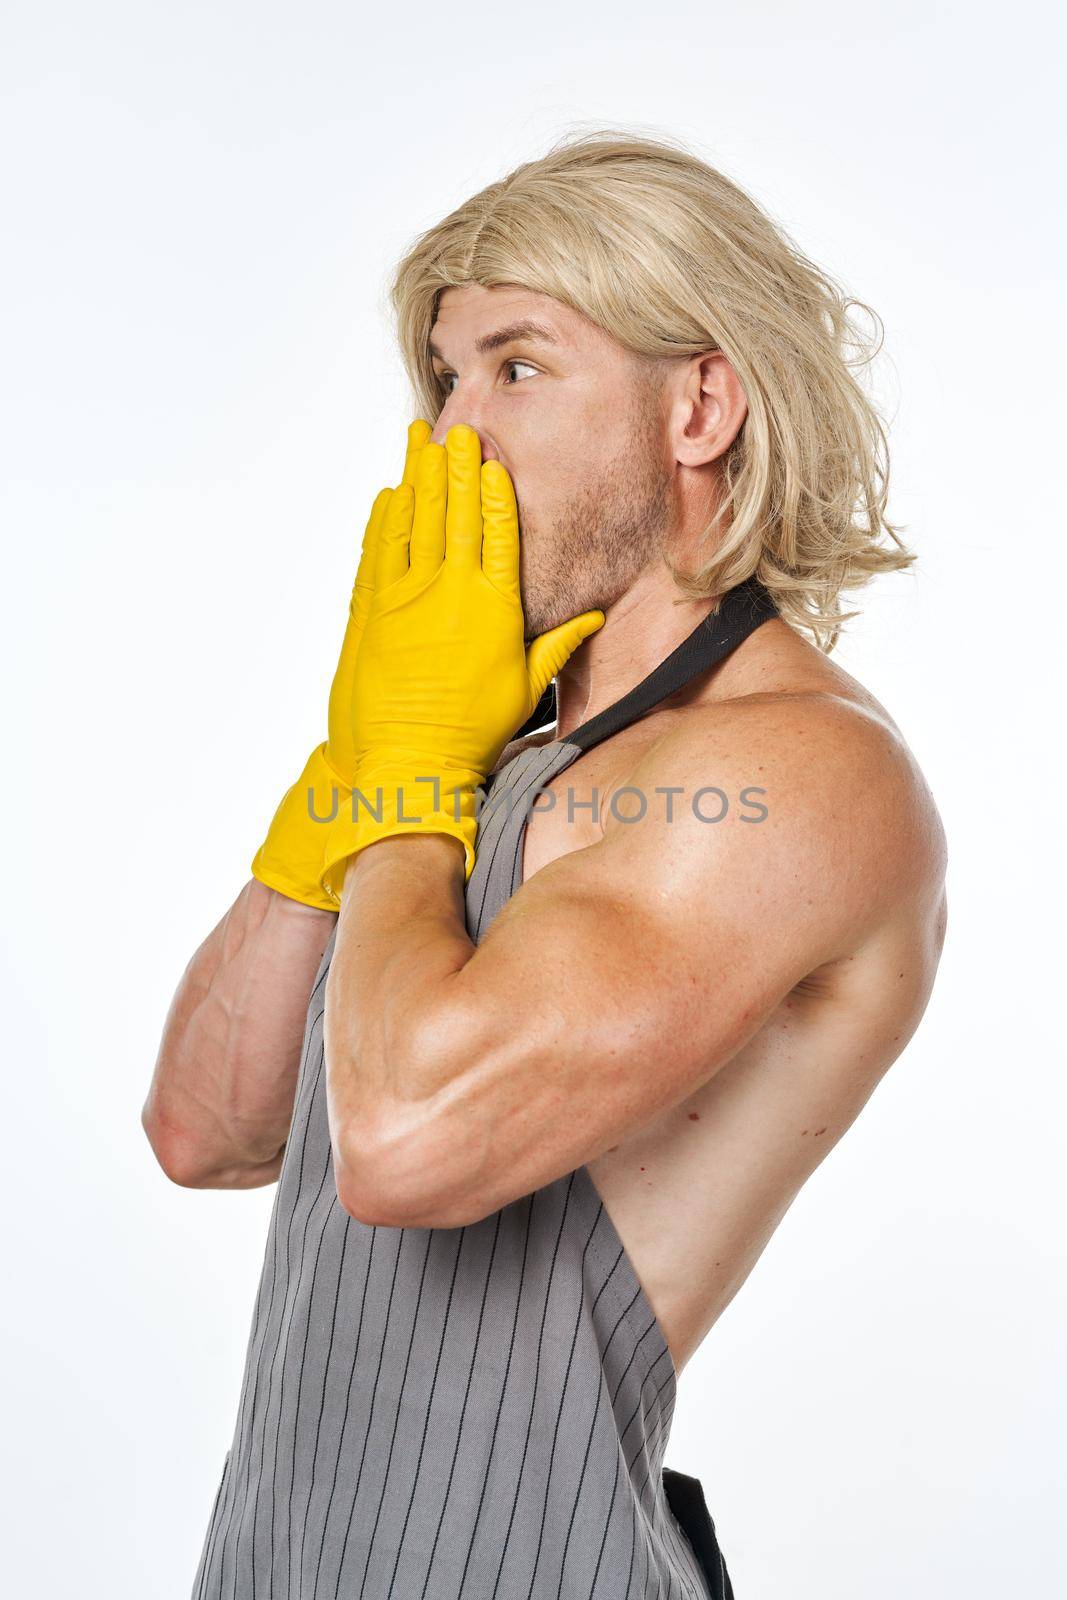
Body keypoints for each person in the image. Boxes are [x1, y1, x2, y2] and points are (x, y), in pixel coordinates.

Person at [144, 129, 948, 1600]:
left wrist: (407, 768)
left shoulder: (796, 770)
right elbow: (209, 1127)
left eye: (518, 366)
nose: (456, 434)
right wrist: (359, 774)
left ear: (700, 404)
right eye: (444, 376)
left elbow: (405, 1146)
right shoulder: (473, 755)